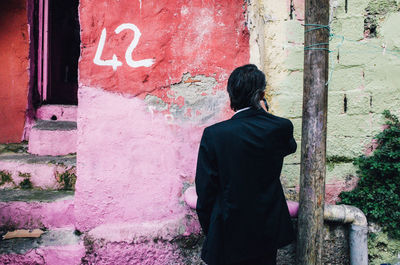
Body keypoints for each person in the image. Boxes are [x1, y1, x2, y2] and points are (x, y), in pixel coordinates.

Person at [195, 64, 297, 265]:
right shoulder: (281, 127)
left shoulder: (215, 135)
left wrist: (211, 228)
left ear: (230, 94)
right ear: (262, 94)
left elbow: (205, 191)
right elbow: (289, 147)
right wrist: (265, 113)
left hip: (227, 229)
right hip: (266, 229)